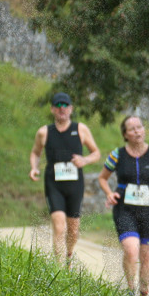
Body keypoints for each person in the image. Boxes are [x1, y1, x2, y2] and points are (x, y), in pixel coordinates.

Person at [97, 115, 149, 296]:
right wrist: (109, 193)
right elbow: (102, 178)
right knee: (131, 250)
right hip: (124, 209)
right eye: (132, 129)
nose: (137, 131)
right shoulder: (117, 154)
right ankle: (130, 291)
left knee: (147, 257)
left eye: (139, 127)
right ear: (125, 134)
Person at [28, 92, 101, 266]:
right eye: (58, 106)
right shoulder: (44, 132)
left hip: (75, 185)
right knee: (59, 226)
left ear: (71, 109)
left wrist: (84, 160)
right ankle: (59, 270)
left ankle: (68, 255)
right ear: (53, 109)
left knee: (73, 230)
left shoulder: (81, 129)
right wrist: (34, 168)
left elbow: (96, 153)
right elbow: (35, 153)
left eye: (65, 106)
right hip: (54, 184)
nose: (62, 109)